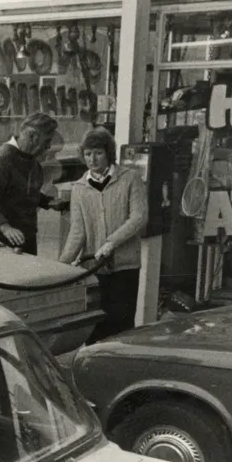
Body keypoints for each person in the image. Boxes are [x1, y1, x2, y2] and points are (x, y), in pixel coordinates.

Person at [60, 127, 149, 341]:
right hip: (94, 269)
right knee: (95, 325)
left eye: (98, 152)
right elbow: (77, 230)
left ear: (108, 153)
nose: (92, 159)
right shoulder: (79, 188)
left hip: (125, 266)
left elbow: (139, 217)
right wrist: (61, 266)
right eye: (88, 154)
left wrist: (111, 243)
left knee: (122, 323)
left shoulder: (130, 178)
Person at [0, 112, 69, 255]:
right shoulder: (2, 159)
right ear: (31, 136)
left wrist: (48, 202)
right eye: (46, 141)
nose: (48, 147)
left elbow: (24, 192)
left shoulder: (32, 161)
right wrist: (5, 227)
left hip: (25, 239)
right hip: (0, 240)